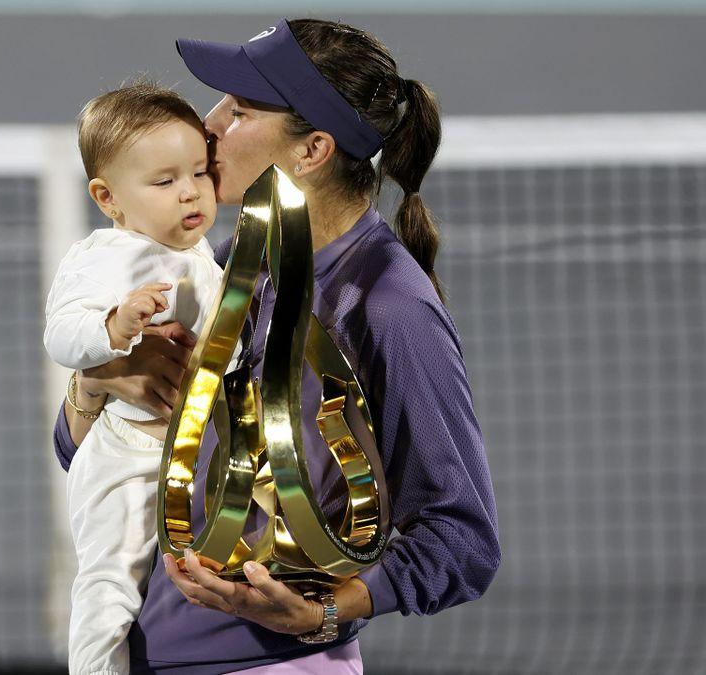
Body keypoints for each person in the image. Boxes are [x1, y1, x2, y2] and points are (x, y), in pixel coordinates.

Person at [53, 18, 501, 674]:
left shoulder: (387, 302)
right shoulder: (231, 262)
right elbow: (80, 453)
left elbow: (461, 539)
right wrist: (94, 387)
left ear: (312, 149)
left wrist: (325, 612)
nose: (207, 125)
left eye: (239, 110)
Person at [46, 81, 242, 674]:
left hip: (192, 453)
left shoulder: (205, 253)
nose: (191, 192)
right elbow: (60, 334)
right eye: (164, 182)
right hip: (127, 453)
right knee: (110, 585)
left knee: (167, 587)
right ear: (108, 199)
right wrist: (112, 330)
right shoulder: (106, 256)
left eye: (201, 174)